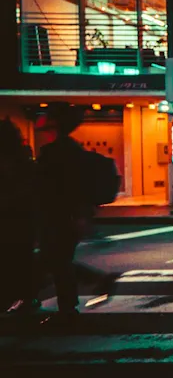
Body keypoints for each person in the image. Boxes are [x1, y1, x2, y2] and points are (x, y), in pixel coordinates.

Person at [33, 103, 118, 325]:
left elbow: (51, 186)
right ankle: (62, 302)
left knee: (57, 261)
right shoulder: (71, 149)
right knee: (56, 260)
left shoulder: (55, 152)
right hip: (69, 214)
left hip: (59, 215)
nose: (42, 120)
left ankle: (71, 305)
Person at [1, 119, 39, 314]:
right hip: (22, 220)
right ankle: (26, 297)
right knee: (22, 259)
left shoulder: (15, 163)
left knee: (13, 259)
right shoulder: (24, 162)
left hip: (12, 218)